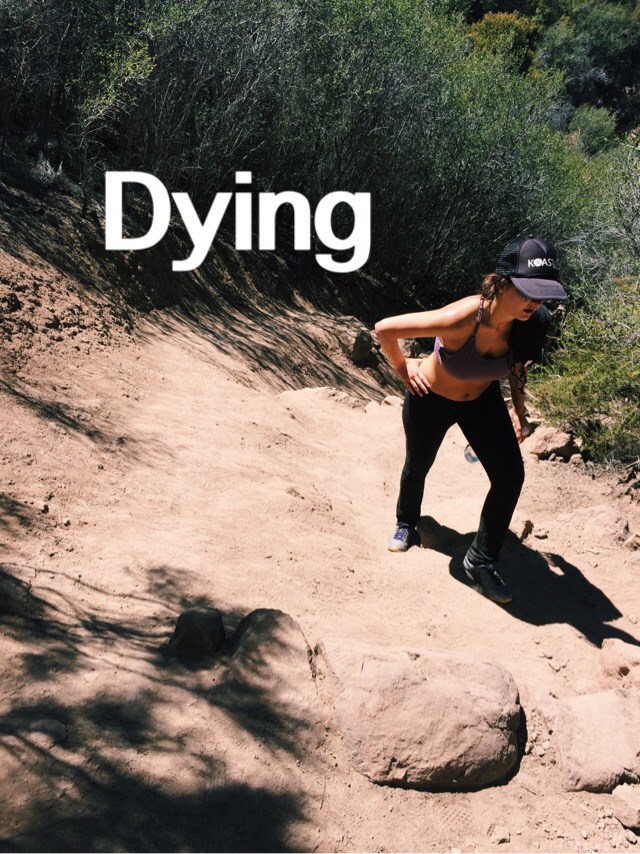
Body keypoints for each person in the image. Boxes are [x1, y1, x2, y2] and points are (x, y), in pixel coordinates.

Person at [374, 235, 567, 604]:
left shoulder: (531, 322)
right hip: (430, 398)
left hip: (481, 401)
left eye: (542, 295)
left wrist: (520, 413)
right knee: (418, 465)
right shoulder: (463, 317)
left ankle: (481, 560)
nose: (535, 302)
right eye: (528, 291)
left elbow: (518, 368)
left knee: (510, 475)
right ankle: (406, 523)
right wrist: (403, 369)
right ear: (501, 282)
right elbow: (384, 329)